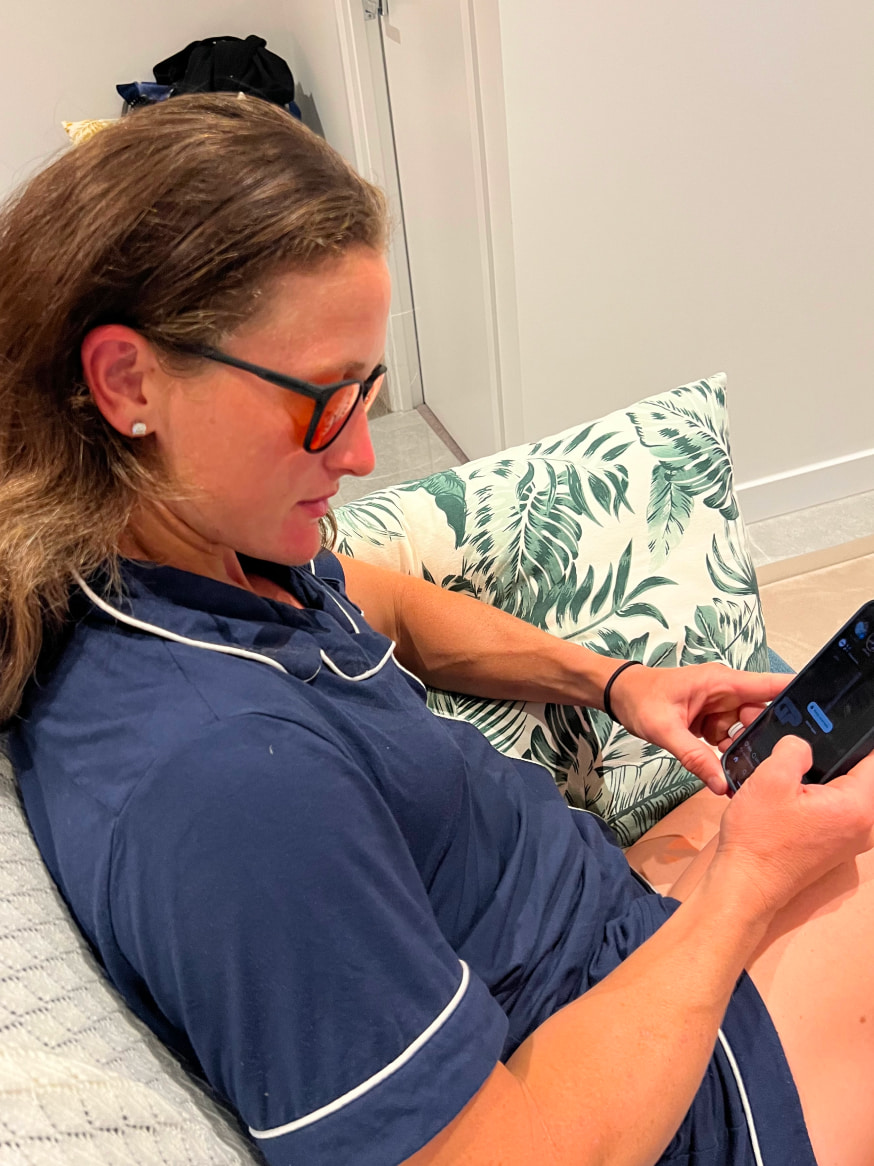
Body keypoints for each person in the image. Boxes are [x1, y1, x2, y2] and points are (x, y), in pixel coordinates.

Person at [2, 93, 873, 1166]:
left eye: (370, 391)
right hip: (653, 1097)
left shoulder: (188, 547)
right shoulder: (223, 780)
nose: (364, 453)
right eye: (322, 400)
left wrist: (615, 680)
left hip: (608, 926)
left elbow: (392, 605)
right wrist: (747, 884)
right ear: (127, 379)